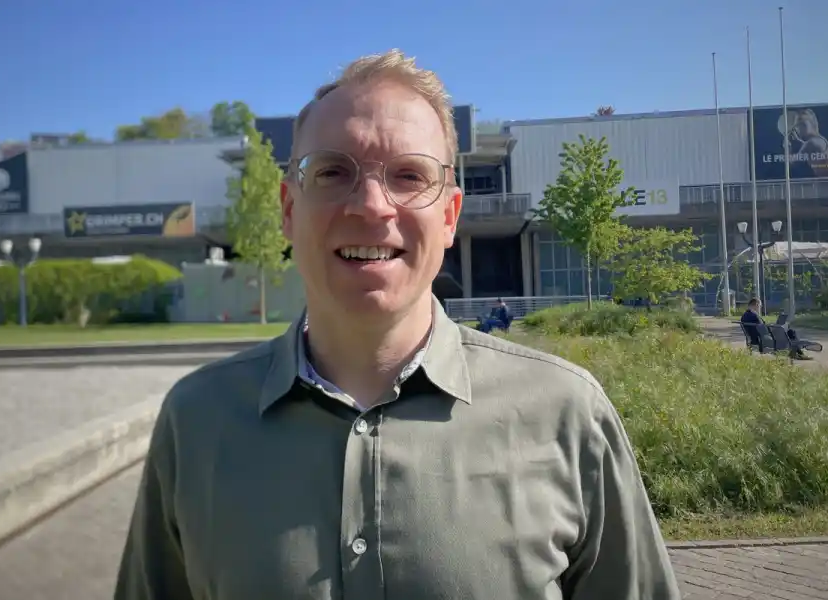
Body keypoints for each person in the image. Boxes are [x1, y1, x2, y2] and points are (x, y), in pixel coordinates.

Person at [114, 49, 681, 600]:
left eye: (409, 175)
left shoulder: (566, 414)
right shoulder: (197, 421)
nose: (372, 205)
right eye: (333, 171)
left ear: (450, 216)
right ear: (288, 210)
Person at [741, 298, 806, 358]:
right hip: (764, 340)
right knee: (791, 332)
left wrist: (771, 326)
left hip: (756, 339)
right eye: (760, 306)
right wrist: (773, 327)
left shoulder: (744, 316)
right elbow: (764, 330)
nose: (760, 308)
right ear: (756, 304)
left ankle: (796, 353)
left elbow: (761, 327)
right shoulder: (754, 315)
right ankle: (799, 353)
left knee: (788, 331)